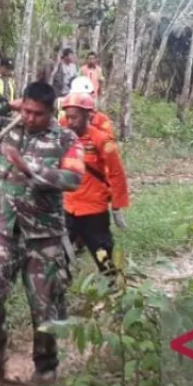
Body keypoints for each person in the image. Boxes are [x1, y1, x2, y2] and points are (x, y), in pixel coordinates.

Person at [0, 82, 85, 386]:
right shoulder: (11, 128)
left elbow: (73, 178)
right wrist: (5, 105)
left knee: (45, 308)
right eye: (26, 111)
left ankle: (45, 369)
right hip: (5, 231)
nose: (30, 118)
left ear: (51, 111)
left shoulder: (65, 138)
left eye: (37, 114)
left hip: (44, 238)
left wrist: (30, 168)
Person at [60, 93, 129, 279]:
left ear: (87, 115)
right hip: (68, 208)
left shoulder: (103, 141)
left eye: (75, 117)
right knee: (58, 258)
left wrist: (116, 206)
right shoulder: (62, 136)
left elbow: (116, 173)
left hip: (94, 211)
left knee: (103, 257)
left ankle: (115, 293)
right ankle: (57, 296)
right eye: (68, 117)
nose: (71, 121)